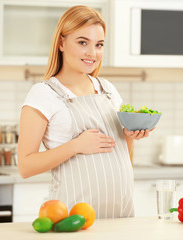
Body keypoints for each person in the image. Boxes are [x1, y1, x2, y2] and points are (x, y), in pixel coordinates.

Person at [17, 5, 152, 219]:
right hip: (71, 218)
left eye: (99, 45)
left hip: (121, 216)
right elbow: (25, 166)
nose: (92, 53)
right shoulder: (44, 94)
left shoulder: (108, 90)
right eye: (82, 43)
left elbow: (122, 156)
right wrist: (76, 146)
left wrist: (130, 137)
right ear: (61, 43)